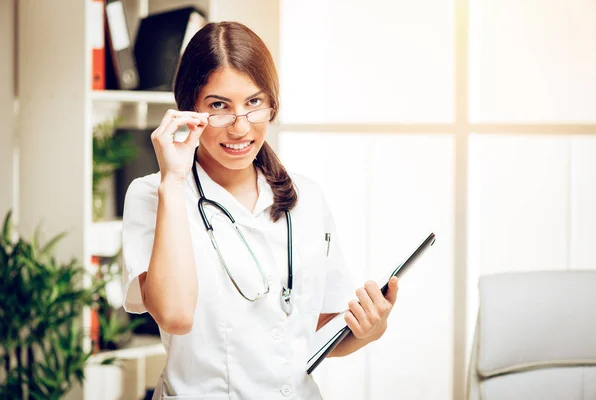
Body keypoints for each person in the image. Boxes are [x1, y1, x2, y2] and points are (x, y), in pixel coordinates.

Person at [121, 21, 400, 399]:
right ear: (190, 111)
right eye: (219, 106)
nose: (241, 128)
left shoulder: (308, 198)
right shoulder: (154, 194)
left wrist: (370, 329)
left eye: (254, 103)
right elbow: (175, 315)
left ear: (272, 105)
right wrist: (173, 178)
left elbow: (316, 335)